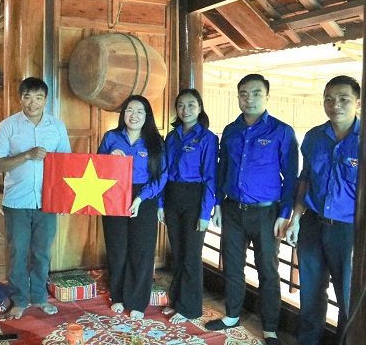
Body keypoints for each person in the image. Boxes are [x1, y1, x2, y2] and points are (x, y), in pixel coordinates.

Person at [207, 74, 298, 345]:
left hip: (266, 214)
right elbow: (222, 169)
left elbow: (291, 177)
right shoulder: (231, 130)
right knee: (232, 266)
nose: (249, 99)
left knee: (268, 271)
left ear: (267, 96)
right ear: (238, 97)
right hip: (233, 210)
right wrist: (218, 204)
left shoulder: (282, 131)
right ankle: (232, 315)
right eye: (244, 94)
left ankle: (270, 328)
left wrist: (285, 214)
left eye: (256, 93)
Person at [285, 75, 360, 345]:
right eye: (329, 99)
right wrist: (295, 219)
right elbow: (305, 179)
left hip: (348, 231)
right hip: (313, 225)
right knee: (311, 293)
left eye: (343, 99)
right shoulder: (314, 137)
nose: (335, 105)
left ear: (358, 102)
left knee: (349, 297)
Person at [0, 77, 71, 319]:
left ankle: (39, 297)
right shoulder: (8, 126)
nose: (32, 102)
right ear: (20, 98)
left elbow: (66, 166)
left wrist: (64, 199)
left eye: (38, 97)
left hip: (48, 202)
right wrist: (27, 155)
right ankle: (19, 300)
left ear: (45, 100)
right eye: (27, 96)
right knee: (18, 252)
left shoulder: (57, 127)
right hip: (17, 200)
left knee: (42, 252)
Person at [98, 95, 167, 320]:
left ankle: (137, 301)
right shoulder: (111, 137)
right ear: (123, 114)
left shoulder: (156, 142)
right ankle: (117, 295)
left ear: (147, 116)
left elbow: (161, 176)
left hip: (144, 197)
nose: (133, 115)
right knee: (117, 248)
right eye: (129, 110)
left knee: (142, 250)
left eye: (139, 111)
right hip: (113, 194)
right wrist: (109, 158)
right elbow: (96, 168)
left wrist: (140, 198)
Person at [161, 89, 218, 324]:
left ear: (200, 108)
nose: (186, 110)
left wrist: (205, 213)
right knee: (178, 253)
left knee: (191, 255)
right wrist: (161, 204)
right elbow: (163, 172)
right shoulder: (171, 137)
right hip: (172, 196)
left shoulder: (207, 138)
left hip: (195, 198)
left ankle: (190, 308)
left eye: (191, 105)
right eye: (181, 105)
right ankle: (177, 300)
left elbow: (211, 177)